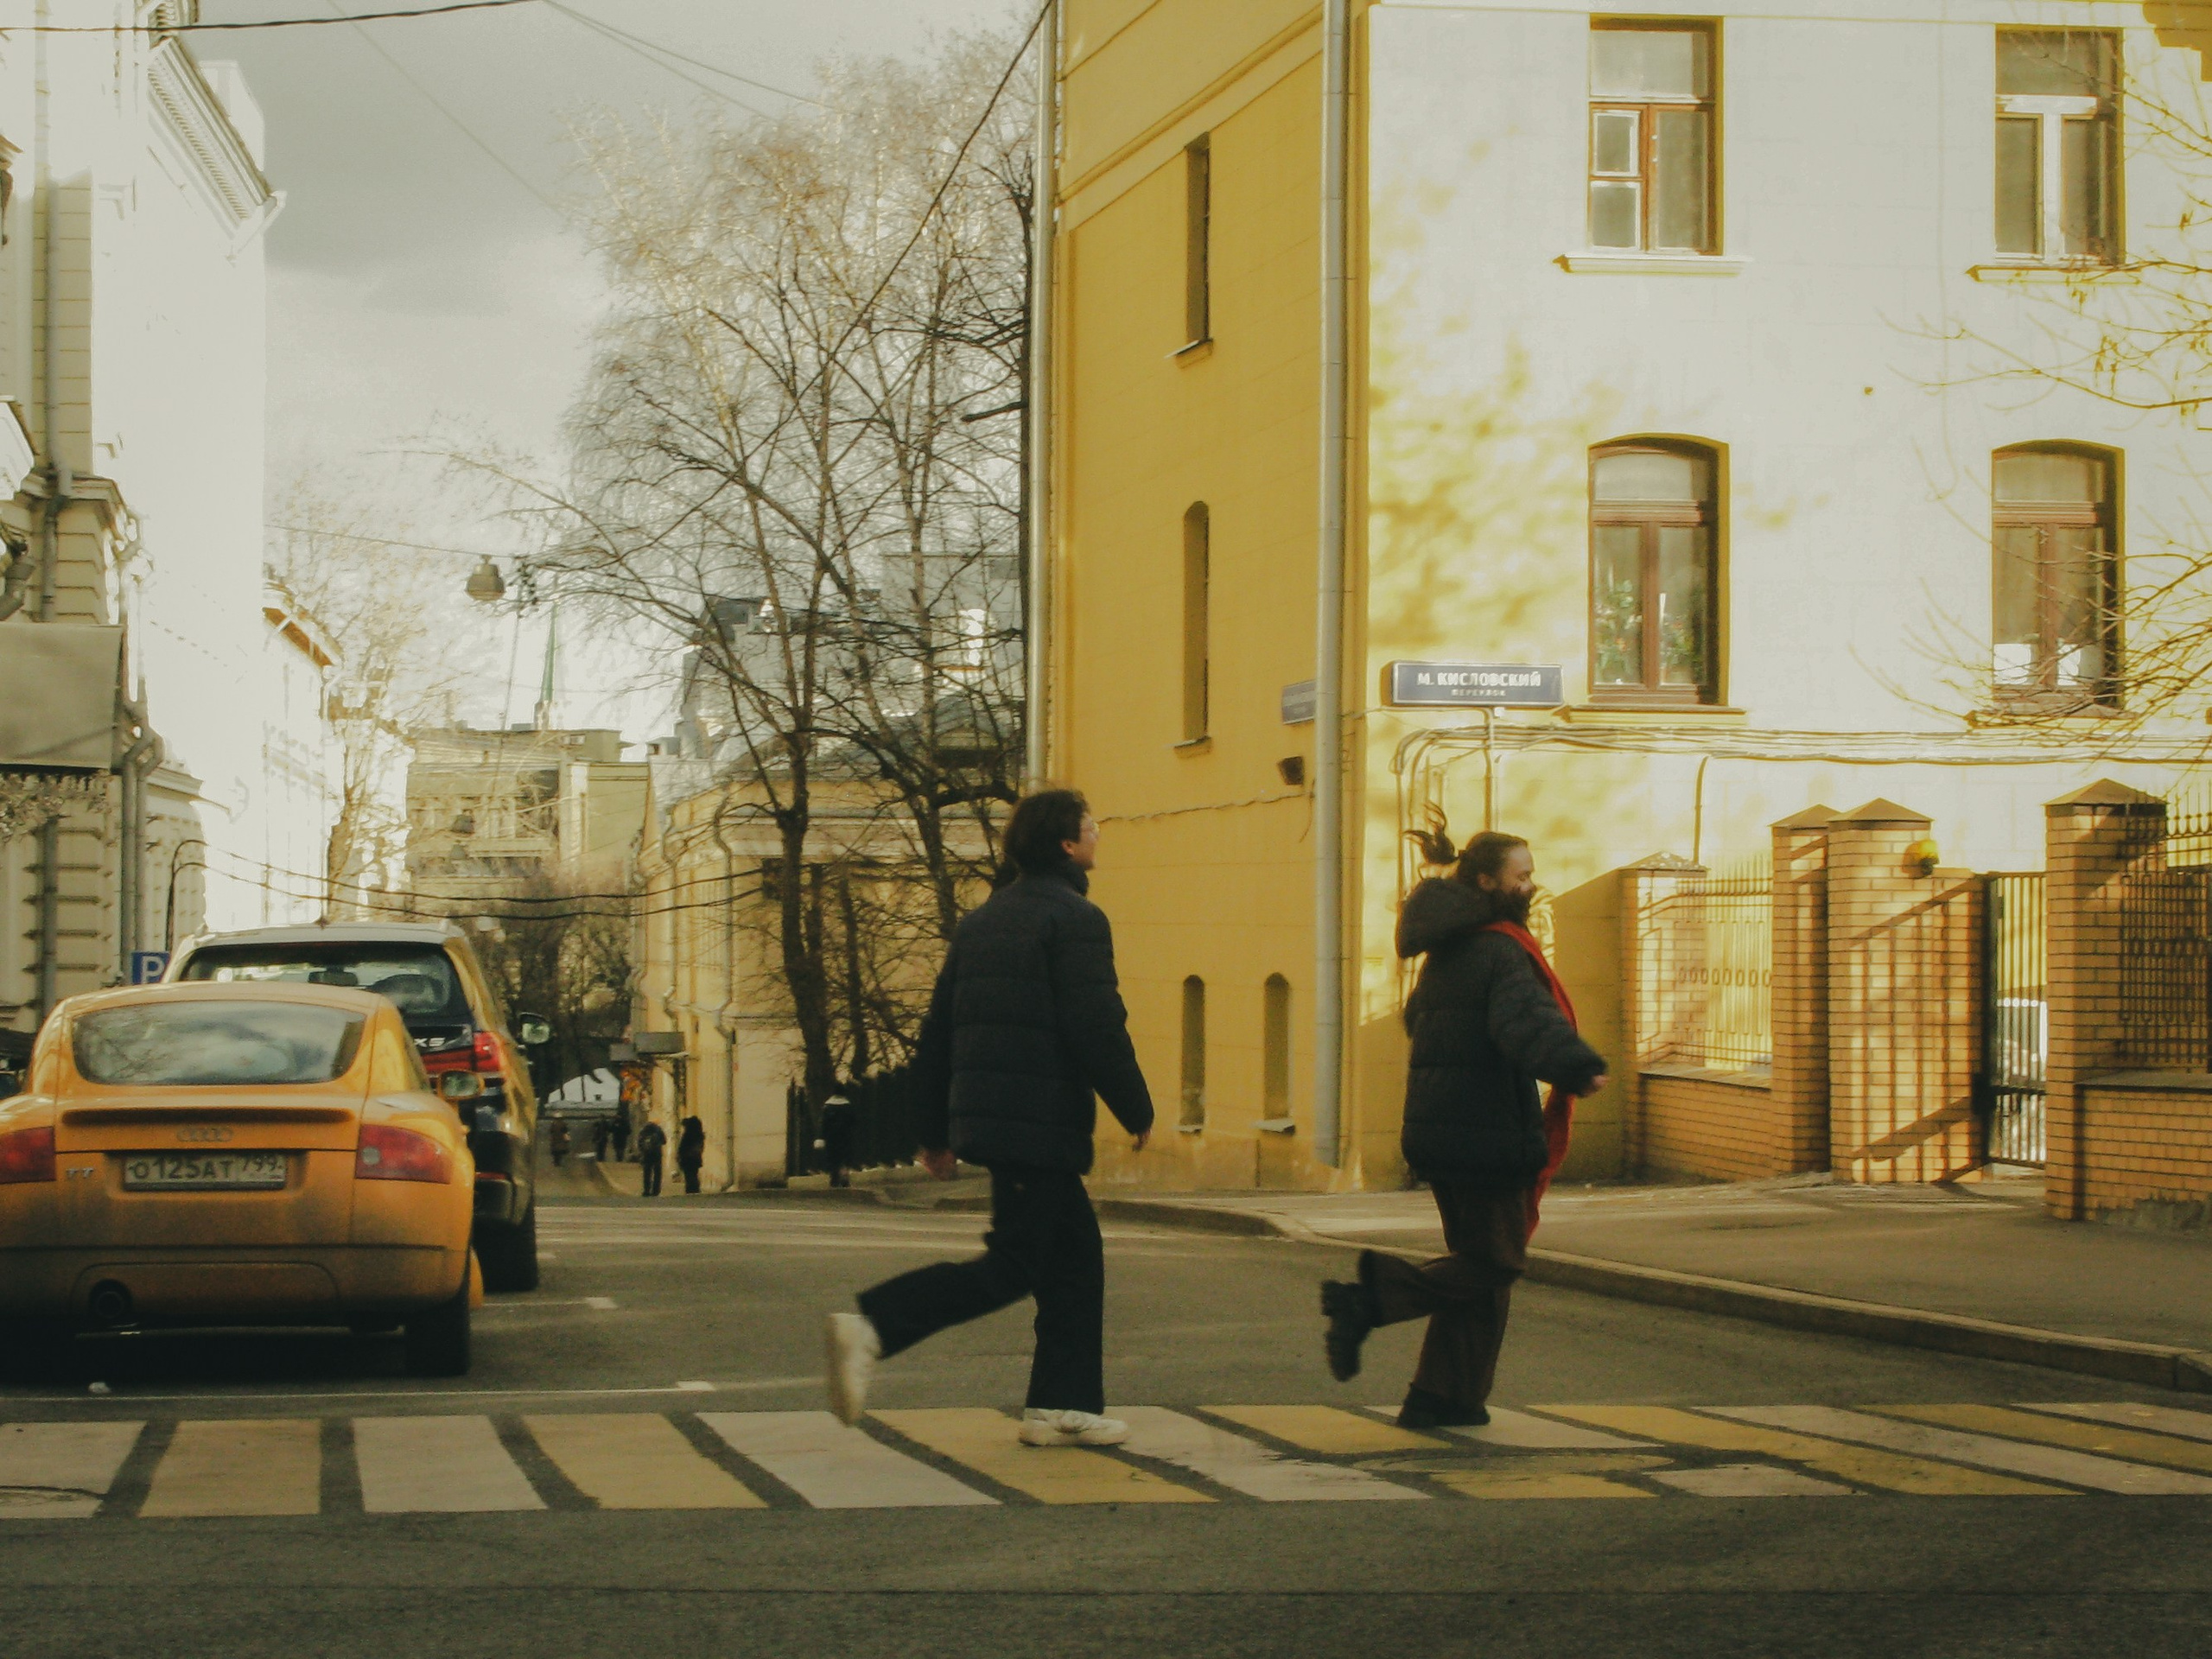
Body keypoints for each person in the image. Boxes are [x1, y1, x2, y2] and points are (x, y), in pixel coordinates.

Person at [823, 788, 1154, 1447]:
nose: (1099, 832)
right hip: (1040, 1124)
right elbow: (1096, 1024)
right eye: (1091, 825)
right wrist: (1135, 1106)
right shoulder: (1075, 919)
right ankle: (875, 1326)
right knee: (1013, 1264)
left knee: (1075, 1261)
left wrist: (932, 1132)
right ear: (1067, 844)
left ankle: (1060, 1406)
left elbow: (938, 1033)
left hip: (1004, 1121)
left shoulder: (984, 921)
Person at [1320, 825, 1607, 1429]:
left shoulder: (1450, 948)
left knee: (1478, 1269)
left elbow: (1417, 1020)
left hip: (1442, 1130)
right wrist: (1576, 1066)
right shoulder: (1499, 949)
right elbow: (1526, 1021)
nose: (1531, 885)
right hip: (1487, 1135)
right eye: (1521, 876)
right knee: (1495, 1263)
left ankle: (1444, 1396)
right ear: (1487, 881)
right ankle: (1369, 1300)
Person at [819, 1090, 857, 1188]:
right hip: (845, 1137)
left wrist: (821, 1137)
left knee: (833, 1158)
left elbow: (823, 1124)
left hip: (831, 1138)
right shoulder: (848, 1107)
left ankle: (834, 1178)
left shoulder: (827, 1107)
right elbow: (853, 1122)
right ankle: (844, 1175)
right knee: (844, 1157)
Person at [636, 1116, 667, 1198]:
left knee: (647, 1173)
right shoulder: (658, 1130)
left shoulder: (643, 1131)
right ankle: (656, 1191)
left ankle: (646, 1190)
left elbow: (639, 1143)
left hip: (646, 1154)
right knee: (657, 1173)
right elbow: (664, 1141)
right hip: (657, 1154)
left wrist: (642, 1152)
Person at [677, 1114, 706, 1194]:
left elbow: (683, 1147)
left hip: (687, 1158)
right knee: (694, 1174)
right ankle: (695, 1189)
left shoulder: (688, 1135)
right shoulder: (699, 1135)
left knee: (689, 1175)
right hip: (696, 1158)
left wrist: (679, 1156)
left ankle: (691, 1189)